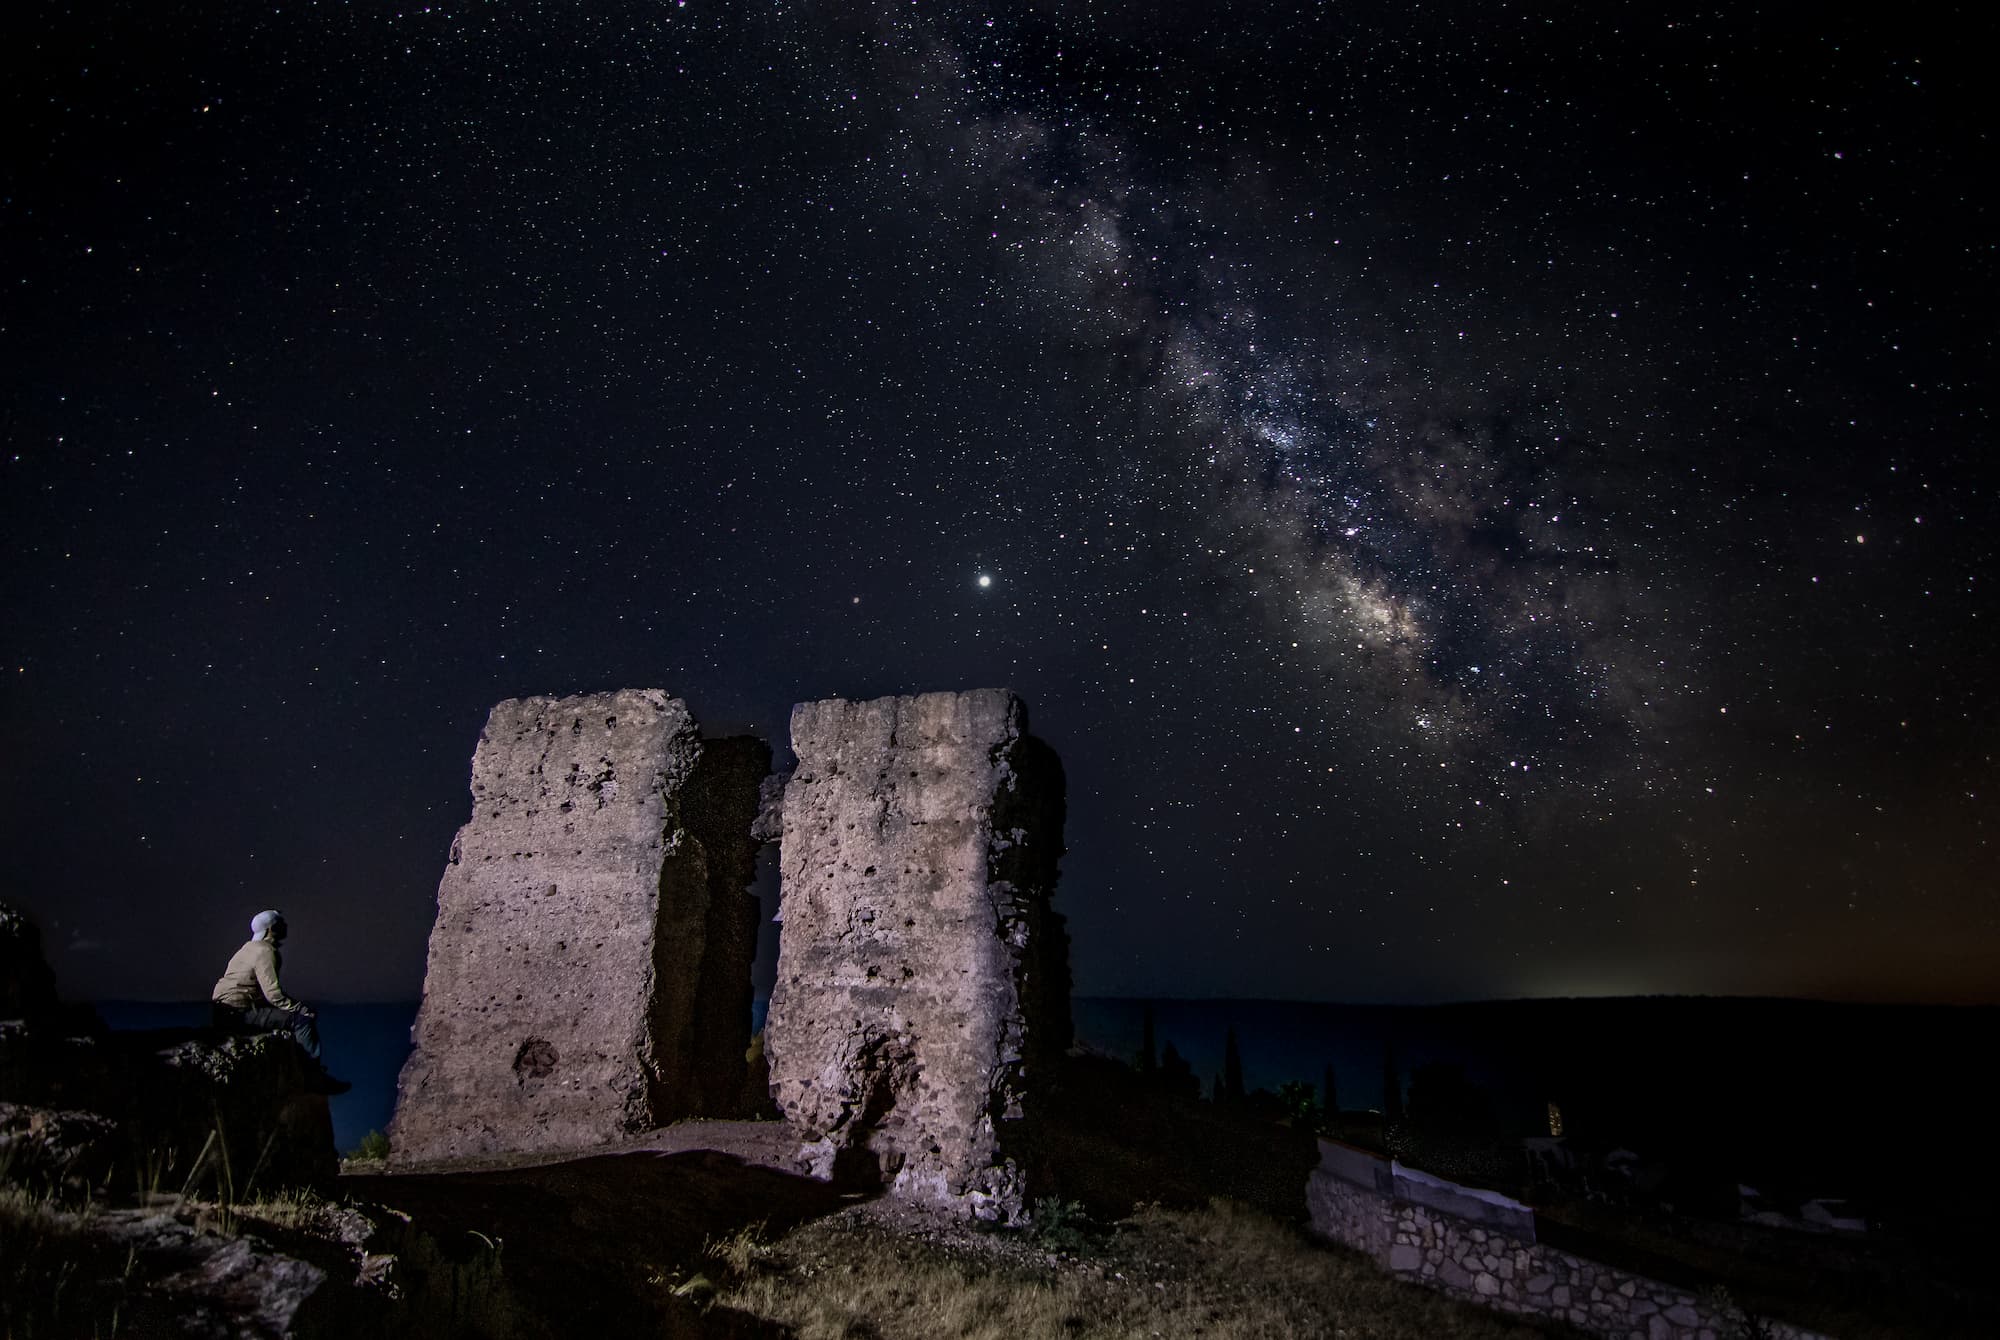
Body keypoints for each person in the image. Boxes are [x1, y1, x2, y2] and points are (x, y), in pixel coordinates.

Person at [210, 909, 349, 1094]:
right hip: (239, 1013)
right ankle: (312, 1076)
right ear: (271, 929)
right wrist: (301, 1009)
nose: (286, 926)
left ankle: (303, 1068)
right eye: (281, 924)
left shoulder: (246, 949)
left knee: (286, 1016)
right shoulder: (266, 951)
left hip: (224, 1011)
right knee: (301, 1020)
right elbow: (273, 994)